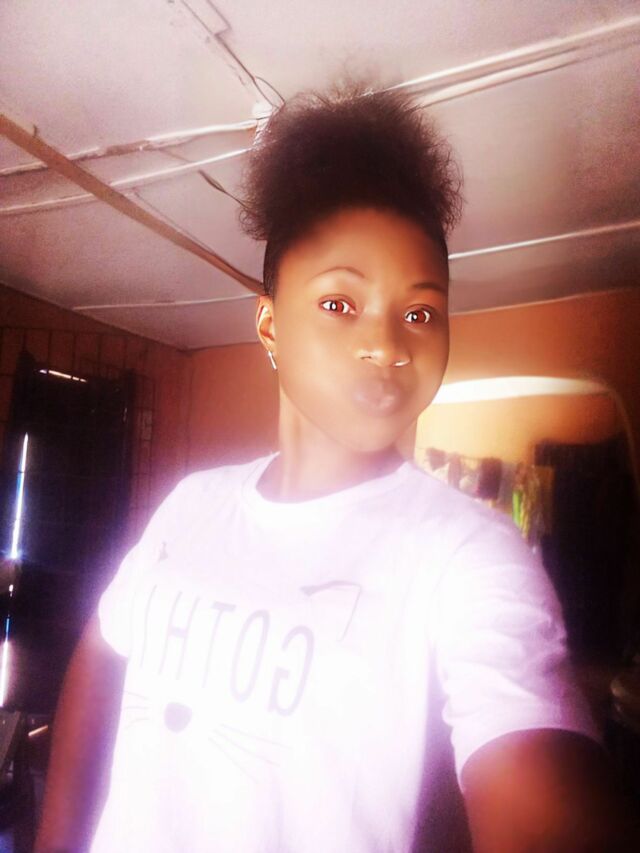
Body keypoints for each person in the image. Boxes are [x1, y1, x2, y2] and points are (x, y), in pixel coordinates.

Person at [35, 78, 634, 852]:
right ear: (269, 325)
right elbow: (103, 655)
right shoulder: (191, 503)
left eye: (420, 311)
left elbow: (536, 784)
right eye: (340, 303)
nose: (387, 343)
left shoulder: (466, 555)